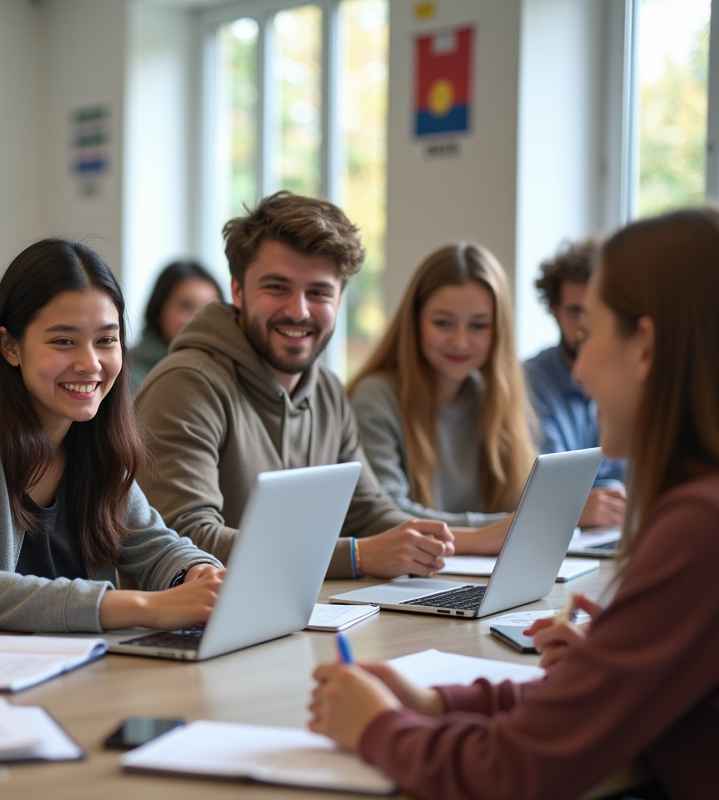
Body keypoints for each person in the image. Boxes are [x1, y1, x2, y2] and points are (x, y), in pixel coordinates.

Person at [308, 206, 719, 800]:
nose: (576, 371)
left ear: (646, 348)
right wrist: (440, 701)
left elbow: (514, 772)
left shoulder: (698, 527)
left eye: (591, 334)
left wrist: (377, 727)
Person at [135, 191, 499, 580]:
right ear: (238, 291)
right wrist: (357, 557)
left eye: (319, 292)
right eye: (277, 287)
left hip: (296, 615)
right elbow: (185, 540)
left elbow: (369, 510)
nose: (299, 310)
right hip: (196, 629)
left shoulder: (325, 389)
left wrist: (459, 538)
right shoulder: (188, 385)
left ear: (340, 298)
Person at [0, 238, 224, 633]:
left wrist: (199, 574)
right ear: (10, 345)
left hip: (76, 669)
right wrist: (144, 607)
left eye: (106, 340)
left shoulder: (90, 436)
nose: (90, 363)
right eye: (64, 341)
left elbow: (157, 546)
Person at [346, 243, 533, 538]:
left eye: (479, 325)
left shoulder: (493, 397)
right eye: (443, 323)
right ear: (415, 322)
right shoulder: (376, 396)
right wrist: (491, 531)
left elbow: (517, 502)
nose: (460, 341)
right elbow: (384, 514)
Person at [527, 237, 627, 528]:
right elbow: (547, 490)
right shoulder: (529, 383)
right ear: (554, 311)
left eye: (594, 312)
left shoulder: (633, 377)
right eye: (574, 311)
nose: (584, 326)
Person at [129, 259, 223, 389]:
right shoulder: (124, 373)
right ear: (159, 310)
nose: (198, 318)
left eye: (209, 309)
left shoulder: (225, 371)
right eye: (186, 306)